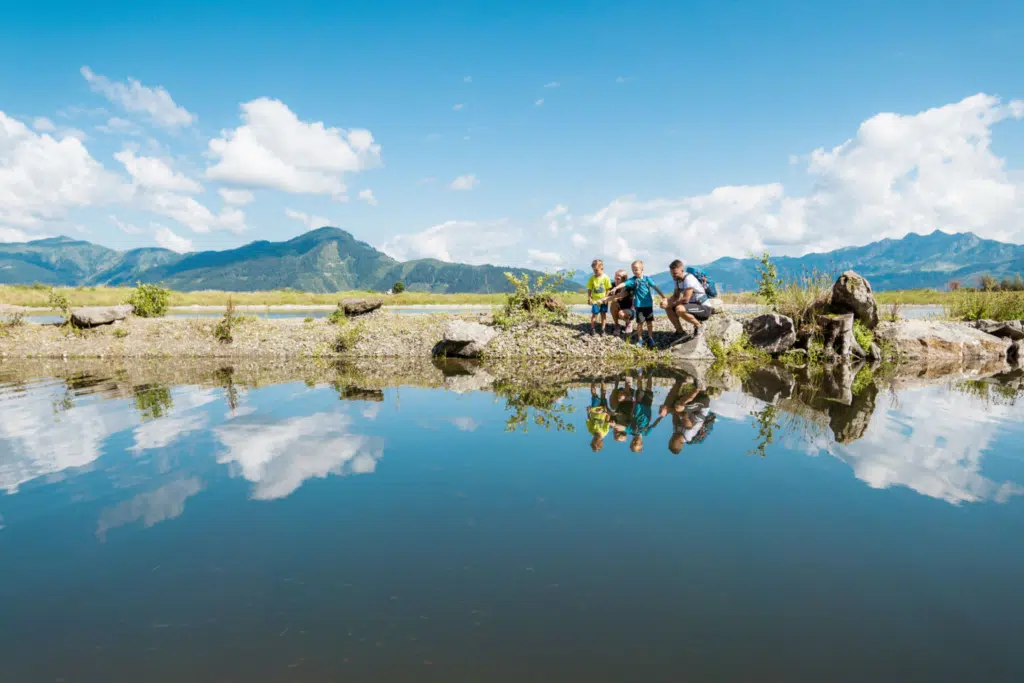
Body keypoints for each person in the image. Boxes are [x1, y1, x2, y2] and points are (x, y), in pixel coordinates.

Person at [603, 260, 669, 349]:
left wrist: (663, 297)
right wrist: (616, 288)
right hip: (639, 306)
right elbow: (624, 283)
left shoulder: (647, 279)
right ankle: (640, 339)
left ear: (642, 269)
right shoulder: (633, 280)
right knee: (640, 323)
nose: (634, 271)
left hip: (648, 305)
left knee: (649, 322)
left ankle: (650, 338)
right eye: (633, 270)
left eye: (636, 269)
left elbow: (655, 287)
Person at [661, 259, 714, 343]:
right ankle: (680, 332)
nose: (673, 276)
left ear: (682, 270)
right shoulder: (677, 280)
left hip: (704, 308)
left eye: (675, 274)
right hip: (693, 307)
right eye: (671, 274)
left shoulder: (688, 279)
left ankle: (699, 326)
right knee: (668, 308)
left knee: (679, 308)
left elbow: (685, 299)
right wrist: (667, 301)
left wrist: (671, 303)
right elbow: (675, 296)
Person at [603, 269, 636, 340]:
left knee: (621, 313)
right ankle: (617, 325)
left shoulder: (628, 287)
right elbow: (607, 291)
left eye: (618, 279)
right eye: (615, 278)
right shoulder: (613, 284)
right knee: (613, 303)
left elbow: (619, 296)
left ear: (624, 280)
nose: (615, 280)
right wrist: (604, 296)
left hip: (630, 311)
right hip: (619, 308)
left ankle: (628, 323)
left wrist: (605, 299)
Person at [587, 259, 613, 335]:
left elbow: (608, 288)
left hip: (604, 301)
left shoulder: (605, 277)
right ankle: (592, 328)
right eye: (594, 270)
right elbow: (589, 288)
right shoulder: (592, 278)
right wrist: (589, 298)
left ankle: (603, 329)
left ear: (602, 268)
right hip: (595, 301)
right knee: (594, 314)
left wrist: (606, 298)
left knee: (603, 314)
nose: (595, 272)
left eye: (596, 270)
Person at [586, 382, 611, 452]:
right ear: (601, 441)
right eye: (595, 440)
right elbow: (607, 421)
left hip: (594, 410)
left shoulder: (591, 431)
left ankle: (593, 381)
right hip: (603, 410)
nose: (594, 438)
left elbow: (589, 420)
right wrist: (606, 412)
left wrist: (588, 412)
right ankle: (603, 381)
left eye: (593, 440)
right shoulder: (605, 432)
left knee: (594, 395)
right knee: (603, 395)